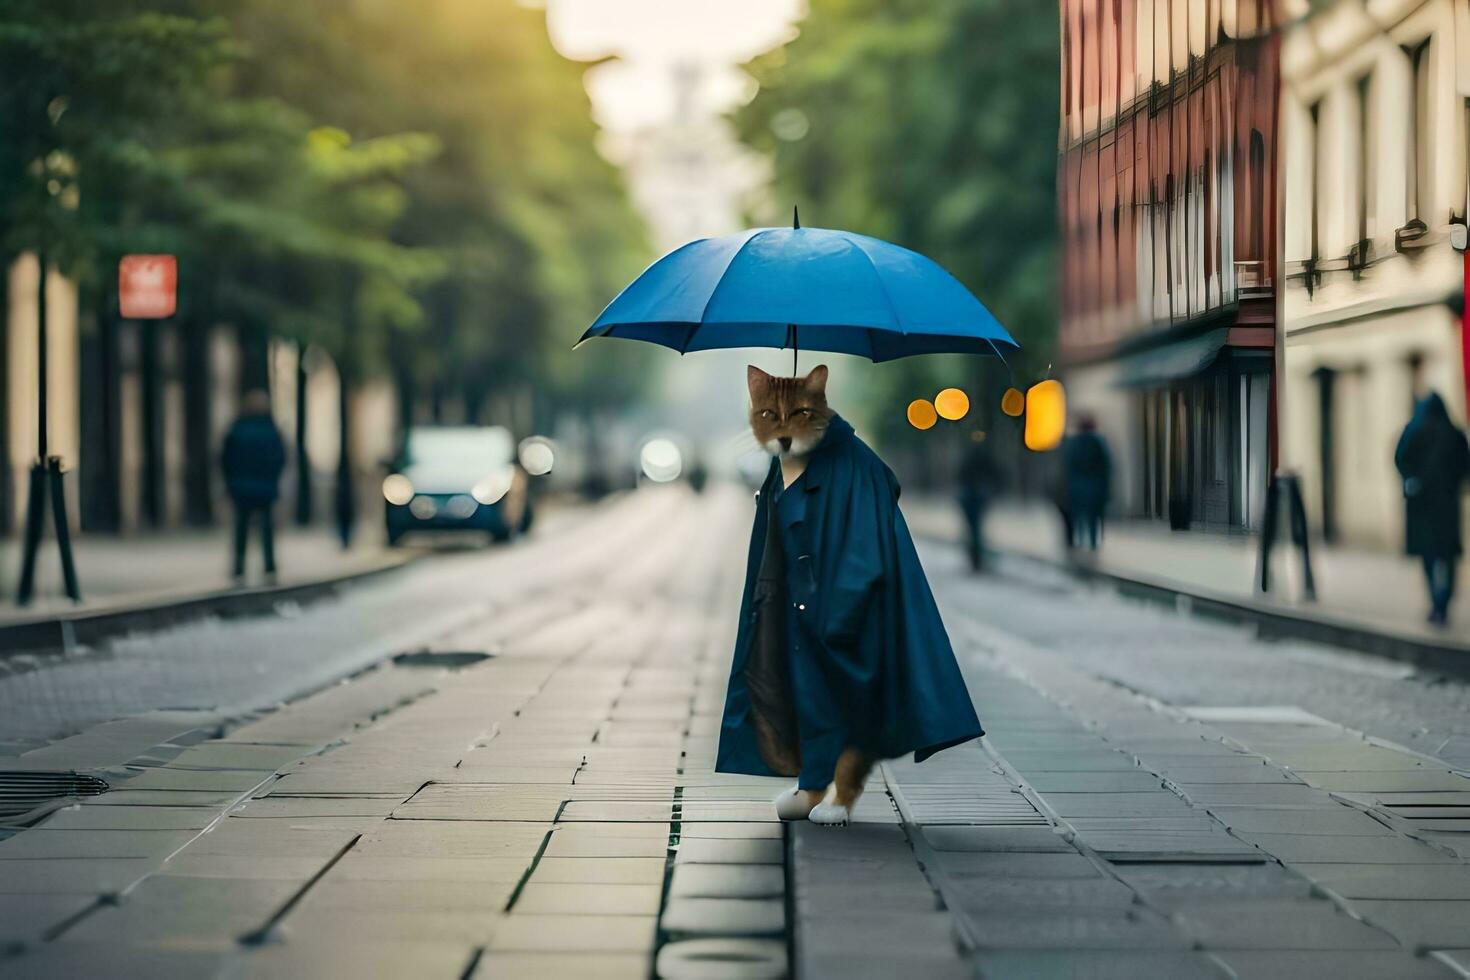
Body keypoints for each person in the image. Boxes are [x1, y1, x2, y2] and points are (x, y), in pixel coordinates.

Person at [717, 365, 983, 827]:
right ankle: (811, 785)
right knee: (805, 696)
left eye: (798, 413)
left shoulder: (851, 461)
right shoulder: (779, 463)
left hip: (845, 603)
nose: (783, 424)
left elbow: (868, 538)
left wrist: (841, 607)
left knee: (849, 695)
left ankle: (844, 791)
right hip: (798, 606)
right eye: (768, 415)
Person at [1394, 392, 1469, 627]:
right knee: (1446, 557)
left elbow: (1400, 459)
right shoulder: (1454, 434)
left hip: (1422, 506)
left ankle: (1436, 603)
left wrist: (1413, 480)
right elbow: (1465, 467)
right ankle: (1442, 602)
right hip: (1446, 506)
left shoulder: (1413, 431)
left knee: (1428, 556)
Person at [222, 389, 286, 583]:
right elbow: (280, 458)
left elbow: (226, 459)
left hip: (241, 487)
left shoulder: (237, 429)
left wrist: (231, 481)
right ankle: (269, 565)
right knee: (266, 528)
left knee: (241, 526)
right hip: (265, 487)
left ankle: (239, 566)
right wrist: (273, 479)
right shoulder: (271, 430)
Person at [1063, 413, 1112, 551]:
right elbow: (1106, 466)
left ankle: (1080, 541)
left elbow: (1069, 465)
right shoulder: (1099, 442)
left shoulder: (1073, 443)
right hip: (1095, 486)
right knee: (1094, 517)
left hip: (1078, 487)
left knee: (1079, 517)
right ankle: (1093, 542)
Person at [957, 434, 1003, 572]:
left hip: (974, 496)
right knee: (975, 529)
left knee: (974, 529)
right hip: (973, 496)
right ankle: (976, 558)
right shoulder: (979, 456)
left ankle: (976, 558)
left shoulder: (971, 456)